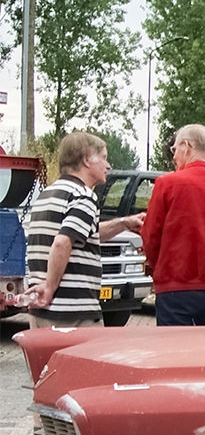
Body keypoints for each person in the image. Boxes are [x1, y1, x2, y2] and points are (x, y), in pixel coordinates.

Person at [23, 131, 145, 327]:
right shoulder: (83, 197)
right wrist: (50, 287)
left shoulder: (48, 194)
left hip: (42, 311)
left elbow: (86, 234)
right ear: (88, 159)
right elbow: (63, 242)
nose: (108, 165)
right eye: (104, 157)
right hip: (72, 314)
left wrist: (123, 223)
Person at [141, 124, 205, 326]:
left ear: (186, 146)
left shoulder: (167, 184)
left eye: (174, 149)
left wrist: (158, 269)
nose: (174, 157)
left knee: (175, 353)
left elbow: (151, 236)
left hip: (176, 286)